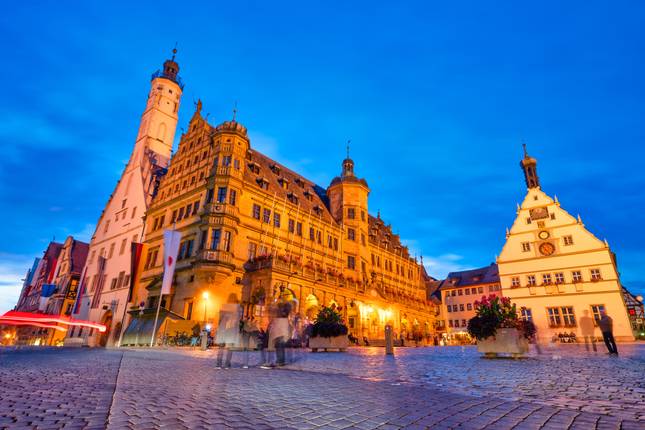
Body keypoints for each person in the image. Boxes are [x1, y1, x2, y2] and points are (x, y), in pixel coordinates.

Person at [214, 293, 243, 368]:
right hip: (232, 329)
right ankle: (227, 363)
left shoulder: (224, 306)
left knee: (221, 347)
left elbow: (220, 319)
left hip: (223, 328)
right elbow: (239, 319)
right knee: (230, 347)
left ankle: (218, 364)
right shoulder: (238, 308)